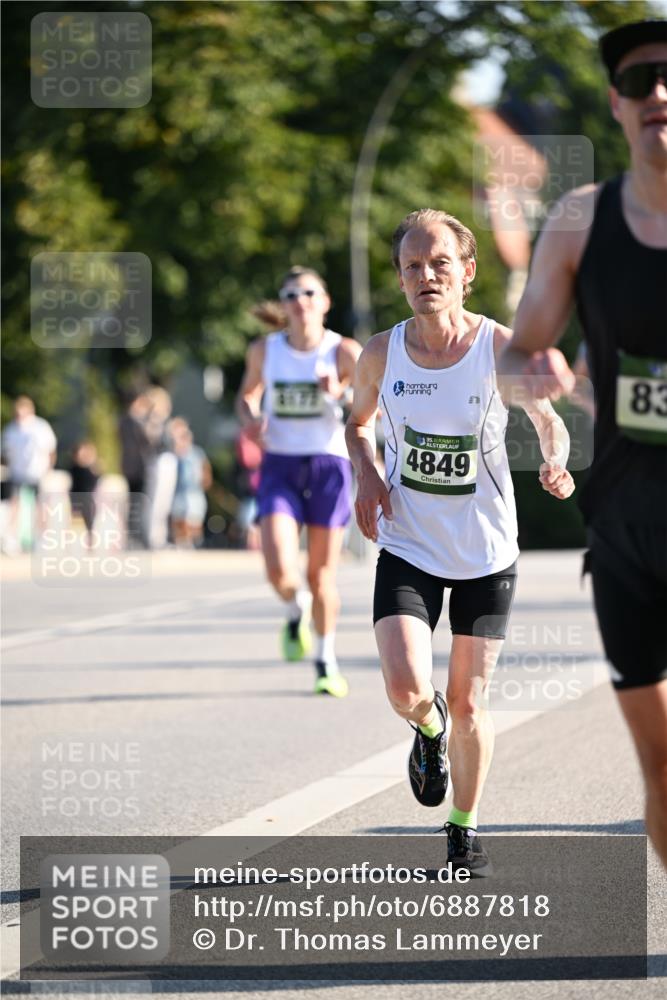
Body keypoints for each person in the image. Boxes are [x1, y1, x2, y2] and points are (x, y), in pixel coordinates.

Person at [346, 209, 574, 872]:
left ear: (466, 273)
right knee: (403, 687)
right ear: (399, 278)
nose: (426, 276)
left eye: (439, 263)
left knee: (472, 700)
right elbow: (356, 425)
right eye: (412, 266)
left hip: (485, 552)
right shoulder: (380, 354)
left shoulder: (498, 349)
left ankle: (462, 832)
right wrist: (365, 474)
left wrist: (553, 458)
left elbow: (545, 417)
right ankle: (426, 727)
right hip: (408, 543)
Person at [497, 19, 667, 868]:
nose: (659, 95)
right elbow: (519, 350)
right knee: (660, 764)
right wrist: (533, 377)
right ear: (615, 101)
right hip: (628, 528)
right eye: (640, 82)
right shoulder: (578, 222)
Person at [236, 266, 361, 697]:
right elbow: (247, 396)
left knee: (321, 574)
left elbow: (375, 407)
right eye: (290, 294)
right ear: (284, 306)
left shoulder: (343, 351)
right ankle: (295, 608)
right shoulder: (265, 351)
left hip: (329, 465)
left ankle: (325, 661)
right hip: (280, 465)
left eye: (309, 292)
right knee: (277, 568)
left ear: (324, 302)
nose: (300, 300)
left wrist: (338, 394)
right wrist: (251, 420)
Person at [1, 395, 57, 552]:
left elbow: (51, 450)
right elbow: (4, 454)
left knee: (40, 507)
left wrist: (48, 469)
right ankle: (12, 539)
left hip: (37, 472)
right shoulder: (11, 430)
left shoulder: (40, 427)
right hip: (17, 473)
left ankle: (42, 539)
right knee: (14, 505)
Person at [168, 417, 211, 548]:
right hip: (178, 493)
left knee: (194, 518)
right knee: (179, 518)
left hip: (194, 492)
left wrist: (205, 481)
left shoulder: (197, 453)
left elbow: (205, 470)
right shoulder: (172, 454)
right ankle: (181, 541)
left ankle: (193, 541)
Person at [69, 440, 100, 546]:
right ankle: (73, 543)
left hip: (88, 500)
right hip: (76, 499)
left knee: (89, 522)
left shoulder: (91, 469)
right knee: (75, 523)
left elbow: (95, 482)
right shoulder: (74, 469)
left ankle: (90, 542)